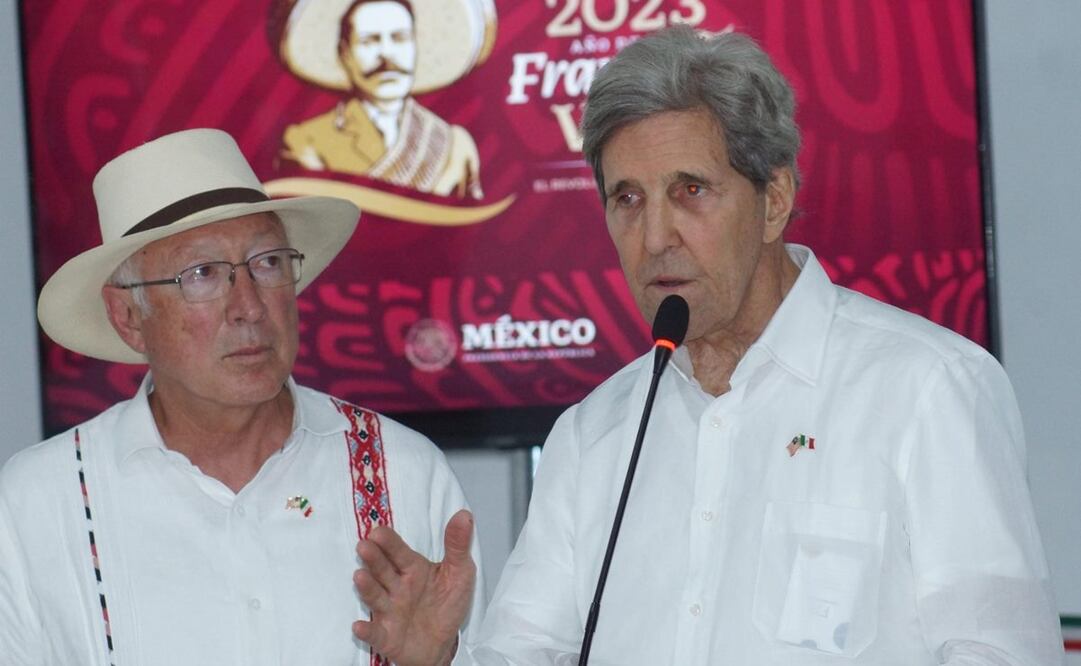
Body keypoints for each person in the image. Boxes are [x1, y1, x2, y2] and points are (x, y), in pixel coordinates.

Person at [351, 27, 1066, 665]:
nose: (654, 235)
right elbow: (528, 653)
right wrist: (437, 661)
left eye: (690, 189)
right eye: (627, 199)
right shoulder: (594, 435)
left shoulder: (926, 388)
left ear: (773, 199)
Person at [0, 128, 483, 665]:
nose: (249, 306)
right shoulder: (38, 502)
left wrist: (441, 659)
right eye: (203, 274)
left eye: (268, 263)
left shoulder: (405, 472)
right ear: (129, 317)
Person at [279, 0, 487, 199]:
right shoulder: (307, 141)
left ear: (416, 46)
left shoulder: (455, 145)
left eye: (399, 38)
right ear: (345, 53)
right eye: (369, 41)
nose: (387, 55)